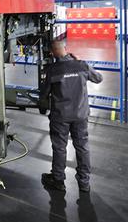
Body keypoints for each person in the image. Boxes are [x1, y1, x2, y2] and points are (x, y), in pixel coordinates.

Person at [39, 41, 102, 192]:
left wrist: (42, 107)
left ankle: (58, 180)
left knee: (60, 148)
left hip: (60, 116)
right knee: (82, 147)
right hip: (80, 115)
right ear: (65, 49)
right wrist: (80, 62)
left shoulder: (53, 70)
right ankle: (84, 182)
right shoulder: (81, 65)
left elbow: (44, 95)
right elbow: (98, 78)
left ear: (52, 53)